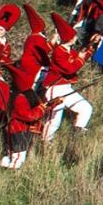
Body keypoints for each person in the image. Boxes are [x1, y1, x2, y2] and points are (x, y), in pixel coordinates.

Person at [40, 13, 93, 142]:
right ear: (69, 38)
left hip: (66, 88)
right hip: (55, 88)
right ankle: (45, 143)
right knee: (54, 120)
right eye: (74, 36)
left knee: (86, 108)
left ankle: (76, 135)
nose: (75, 37)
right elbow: (70, 68)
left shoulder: (69, 50)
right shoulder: (59, 51)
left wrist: (90, 48)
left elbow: (79, 57)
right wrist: (80, 57)